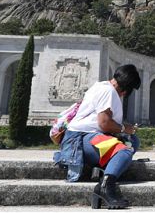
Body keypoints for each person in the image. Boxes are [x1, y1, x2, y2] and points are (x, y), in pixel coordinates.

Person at [55, 64, 141, 209]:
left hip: (84, 137)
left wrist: (124, 131)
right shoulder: (109, 91)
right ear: (126, 88)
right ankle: (106, 187)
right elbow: (104, 123)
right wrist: (124, 128)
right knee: (125, 150)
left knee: (132, 141)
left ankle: (103, 167)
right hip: (83, 138)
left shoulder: (100, 86)